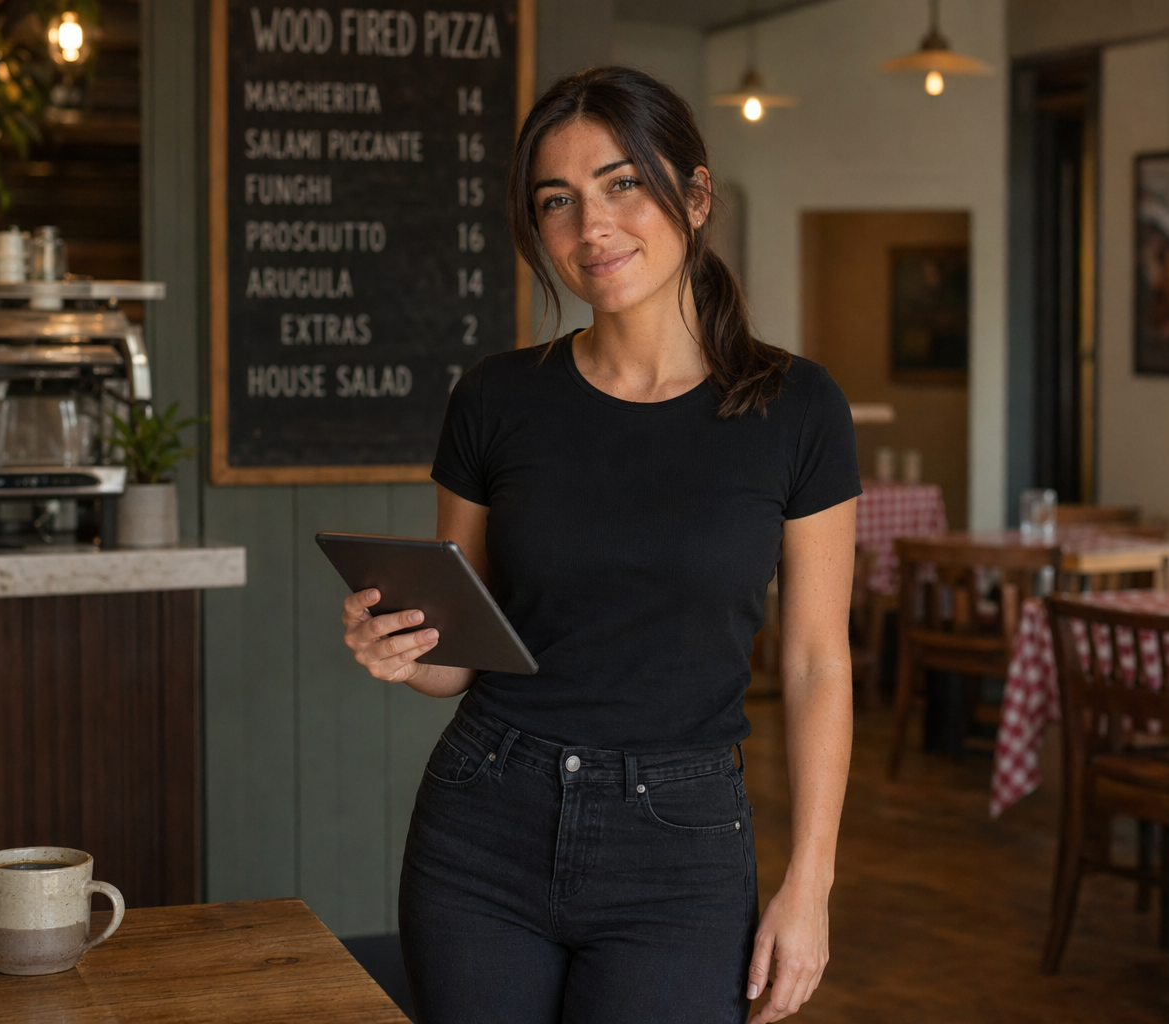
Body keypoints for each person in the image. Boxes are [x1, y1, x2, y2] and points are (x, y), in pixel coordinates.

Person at [341, 65, 858, 1024]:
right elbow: (461, 654)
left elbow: (819, 660)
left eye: (623, 183)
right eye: (558, 201)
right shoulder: (495, 398)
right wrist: (402, 653)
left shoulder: (799, 409)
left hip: (683, 844)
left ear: (694, 196)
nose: (593, 227)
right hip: (481, 826)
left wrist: (811, 882)